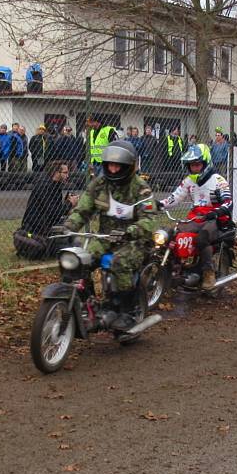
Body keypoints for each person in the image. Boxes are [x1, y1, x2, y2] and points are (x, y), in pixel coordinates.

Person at [64, 141, 157, 331]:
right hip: (105, 237)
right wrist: (68, 226)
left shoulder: (140, 188)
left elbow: (149, 220)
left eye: (118, 166)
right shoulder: (98, 185)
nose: (113, 170)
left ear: (128, 167)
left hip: (134, 241)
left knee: (119, 262)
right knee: (82, 259)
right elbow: (83, 209)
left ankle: (128, 311)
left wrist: (131, 231)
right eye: (110, 165)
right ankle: (88, 303)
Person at [159, 143, 233, 290]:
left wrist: (216, 212)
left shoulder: (218, 180)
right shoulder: (189, 181)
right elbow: (174, 198)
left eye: (197, 165)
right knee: (173, 235)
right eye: (191, 165)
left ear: (206, 163)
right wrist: (158, 204)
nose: (194, 168)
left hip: (215, 218)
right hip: (196, 216)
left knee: (202, 238)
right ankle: (175, 269)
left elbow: (228, 202)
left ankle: (208, 273)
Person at [15, 161, 79, 259]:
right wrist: (69, 204)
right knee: (70, 247)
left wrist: (68, 203)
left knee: (72, 234)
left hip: (47, 223)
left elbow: (55, 210)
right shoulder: (45, 186)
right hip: (36, 228)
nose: (68, 175)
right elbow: (53, 213)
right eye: (65, 173)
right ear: (56, 173)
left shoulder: (55, 185)